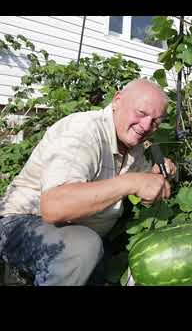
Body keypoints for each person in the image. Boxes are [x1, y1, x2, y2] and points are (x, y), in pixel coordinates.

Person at [0, 78, 177, 286]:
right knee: (83, 248)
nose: (147, 125)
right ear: (117, 100)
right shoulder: (83, 131)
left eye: (156, 121)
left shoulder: (132, 144)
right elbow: (54, 206)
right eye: (141, 113)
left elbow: (145, 185)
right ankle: (16, 272)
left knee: (96, 255)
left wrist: (160, 175)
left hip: (81, 235)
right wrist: (131, 182)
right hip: (23, 223)